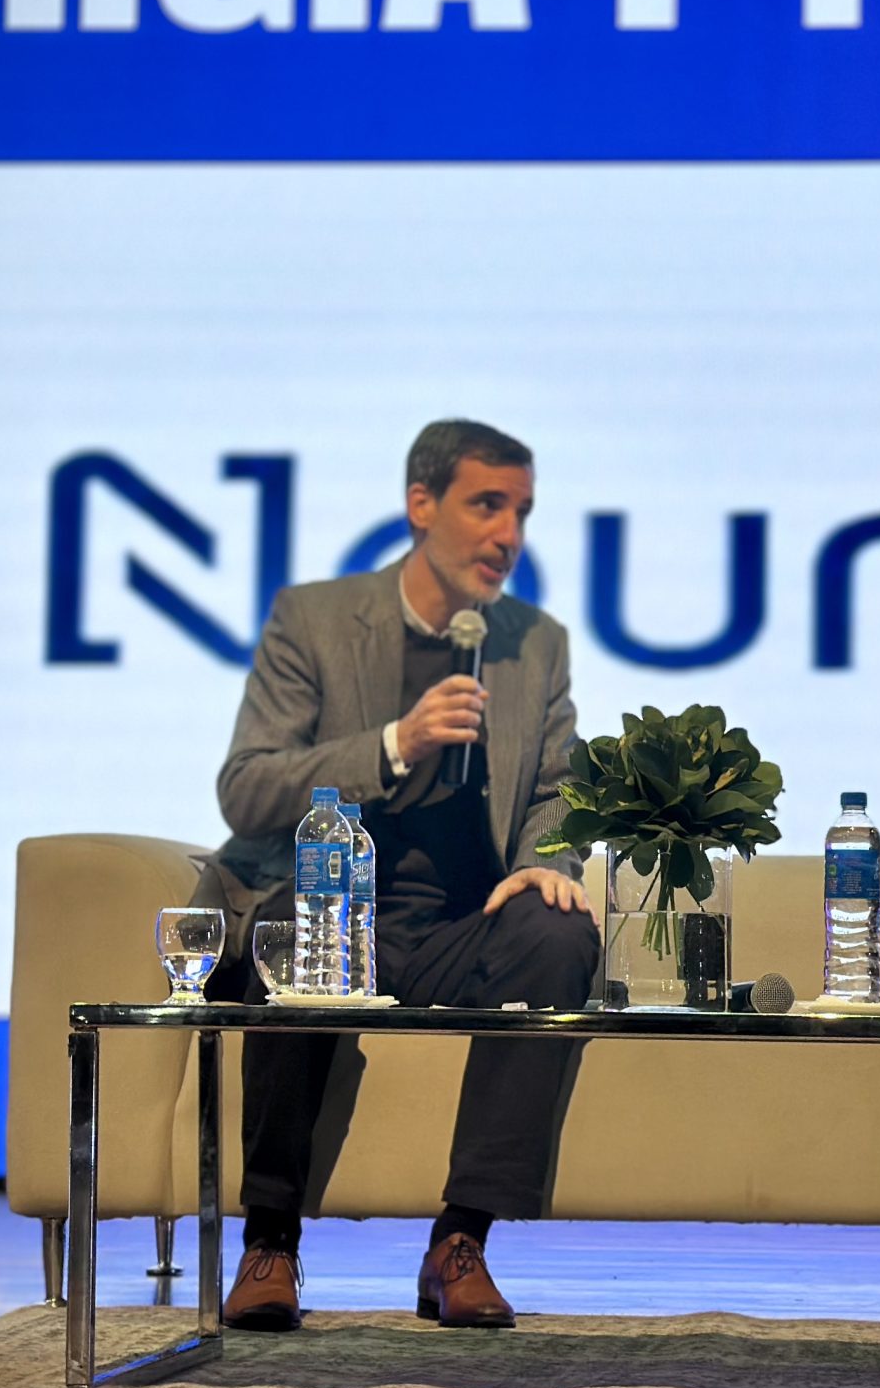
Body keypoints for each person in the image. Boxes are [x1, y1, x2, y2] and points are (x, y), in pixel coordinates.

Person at [191, 419, 597, 1333]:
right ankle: (270, 1242)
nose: (508, 536)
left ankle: (461, 1241)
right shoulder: (316, 619)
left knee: (560, 931)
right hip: (336, 908)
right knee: (293, 929)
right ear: (421, 504)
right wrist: (393, 744)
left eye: (521, 513)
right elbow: (246, 786)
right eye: (486, 506)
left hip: (461, 924)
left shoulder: (534, 642)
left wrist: (543, 864)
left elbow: (557, 791)